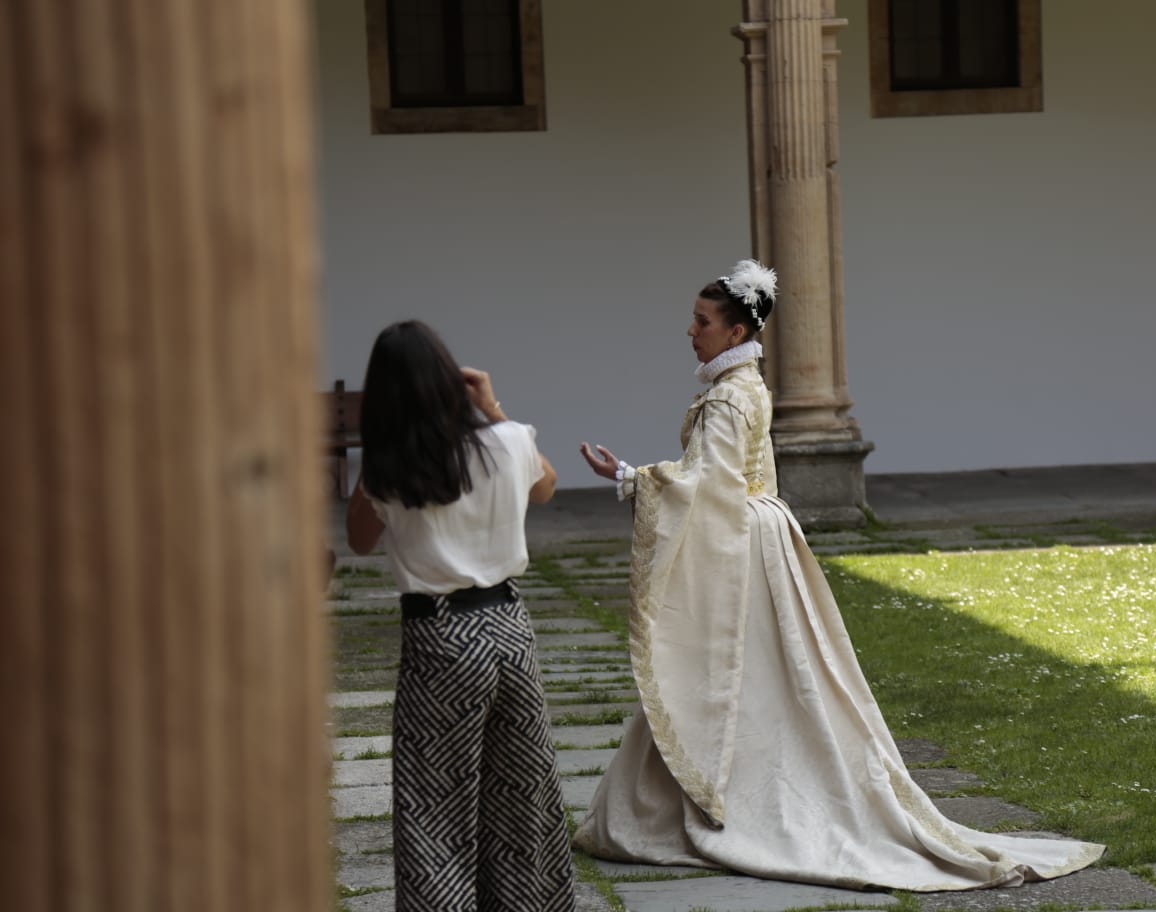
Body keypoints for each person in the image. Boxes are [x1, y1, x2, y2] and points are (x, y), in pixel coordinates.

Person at [573, 261, 1105, 892]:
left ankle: (708, 805)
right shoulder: (747, 385)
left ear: (736, 329)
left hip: (744, 540)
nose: (690, 330)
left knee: (727, 670)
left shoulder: (727, 394)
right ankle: (689, 799)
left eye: (701, 320)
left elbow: (706, 483)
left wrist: (630, 478)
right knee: (754, 673)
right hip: (759, 533)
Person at [346, 320, 574, 912]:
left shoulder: (387, 470)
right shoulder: (506, 442)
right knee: (521, 791)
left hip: (439, 634)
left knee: (433, 803)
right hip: (507, 626)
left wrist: (382, 446)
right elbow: (546, 487)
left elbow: (360, 539)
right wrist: (494, 410)